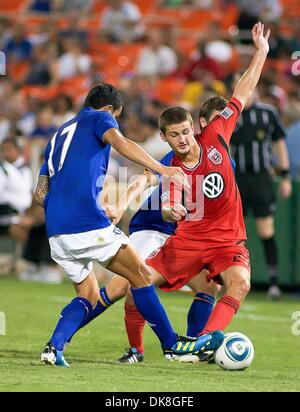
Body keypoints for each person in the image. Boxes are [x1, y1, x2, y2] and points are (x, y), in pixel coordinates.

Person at [35, 83, 223, 367]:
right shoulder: (100, 118)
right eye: (117, 117)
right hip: (88, 222)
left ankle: (53, 348)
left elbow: (39, 193)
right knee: (140, 277)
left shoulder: (58, 135)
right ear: (110, 109)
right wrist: (162, 169)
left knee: (88, 295)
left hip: (57, 232)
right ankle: (172, 345)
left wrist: (61, 213)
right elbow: (121, 143)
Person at [145, 22, 270, 338]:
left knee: (239, 283)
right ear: (167, 137)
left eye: (186, 132)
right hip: (189, 238)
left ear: (194, 128)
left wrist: (261, 53)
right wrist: (170, 209)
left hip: (227, 239)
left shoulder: (217, 135)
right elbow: (167, 195)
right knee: (135, 281)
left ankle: (203, 342)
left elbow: (241, 92)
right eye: (176, 135)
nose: (184, 138)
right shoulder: (173, 163)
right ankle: (151, 345)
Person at [104, 150, 220, 363]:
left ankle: (193, 346)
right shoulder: (178, 155)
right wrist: (121, 205)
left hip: (181, 237)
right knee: (122, 289)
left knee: (209, 285)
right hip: (151, 229)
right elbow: (144, 180)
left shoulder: (221, 161)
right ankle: (134, 350)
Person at [230, 89, 292, 300]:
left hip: (261, 179)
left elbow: (279, 142)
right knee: (233, 233)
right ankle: (230, 280)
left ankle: (273, 284)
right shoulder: (231, 113)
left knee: (265, 231)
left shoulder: (267, 112)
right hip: (237, 179)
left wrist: (284, 175)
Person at [0, 138, 33, 242]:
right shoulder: (2, 169)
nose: (6, 152)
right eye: (3, 150)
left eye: (9, 149)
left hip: (26, 213)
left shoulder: (26, 169)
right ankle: (26, 256)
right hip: (7, 215)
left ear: (18, 150)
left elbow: (31, 192)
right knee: (20, 230)